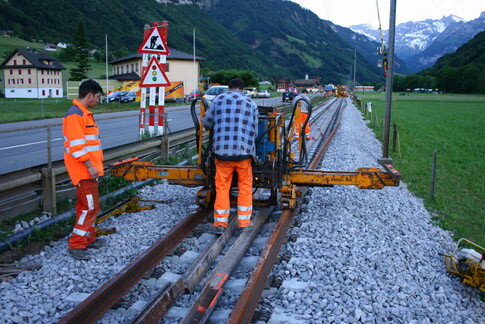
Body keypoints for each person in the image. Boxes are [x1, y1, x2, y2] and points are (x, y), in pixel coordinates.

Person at [202, 78, 258, 233]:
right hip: (243, 154)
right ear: (242, 89)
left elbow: (206, 123)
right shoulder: (250, 103)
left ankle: (220, 224)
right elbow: (256, 130)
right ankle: (244, 223)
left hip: (221, 154)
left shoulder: (218, 100)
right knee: (245, 186)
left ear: (229, 88)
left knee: (222, 187)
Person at [63, 79, 106, 260]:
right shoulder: (75, 115)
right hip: (84, 171)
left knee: (92, 206)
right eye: (97, 97)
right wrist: (89, 166)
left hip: (90, 171)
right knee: (87, 208)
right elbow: (77, 147)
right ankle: (77, 244)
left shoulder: (84, 113)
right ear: (89, 95)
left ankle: (89, 238)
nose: (97, 100)